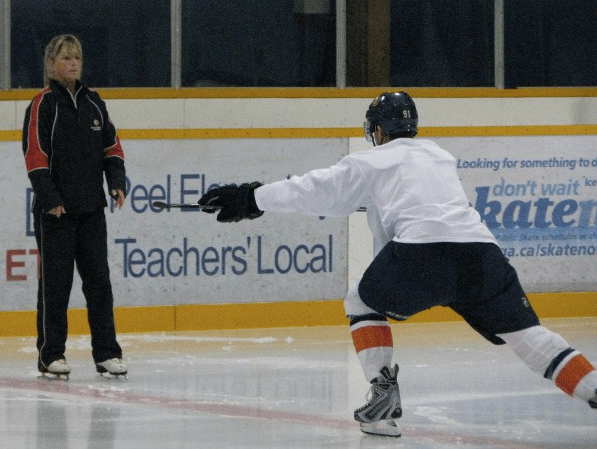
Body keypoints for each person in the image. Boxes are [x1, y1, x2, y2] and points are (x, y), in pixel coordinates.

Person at [197, 91, 597, 436]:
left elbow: (314, 190)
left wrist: (250, 198)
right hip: (481, 253)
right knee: (528, 337)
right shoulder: (439, 156)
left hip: (424, 254)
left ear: (378, 130)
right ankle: (592, 385)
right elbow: (400, 199)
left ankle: (383, 392)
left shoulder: (373, 162)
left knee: (360, 299)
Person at [22, 34, 127, 378]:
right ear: (52, 64)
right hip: (56, 214)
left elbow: (111, 149)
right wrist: (51, 200)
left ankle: (107, 353)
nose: (72, 64)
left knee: (99, 282)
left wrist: (115, 182)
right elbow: (35, 158)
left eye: (77, 58)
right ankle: (50, 354)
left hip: (91, 210)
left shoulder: (94, 103)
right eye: (65, 58)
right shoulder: (43, 105)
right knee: (56, 285)